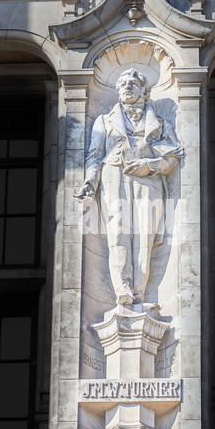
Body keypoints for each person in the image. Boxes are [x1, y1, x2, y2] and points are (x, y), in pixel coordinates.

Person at [74, 68, 183, 307]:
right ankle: (123, 289)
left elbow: (173, 157)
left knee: (145, 235)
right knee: (118, 235)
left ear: (145, 91)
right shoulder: (105, 121)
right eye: (122, 84)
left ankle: (140, 291)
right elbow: (94, 155)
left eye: (132, 84)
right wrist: (90, 182)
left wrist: (149, 164)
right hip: (114, 179)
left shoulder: (161, 123)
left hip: (149, 180)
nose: (126, 87)